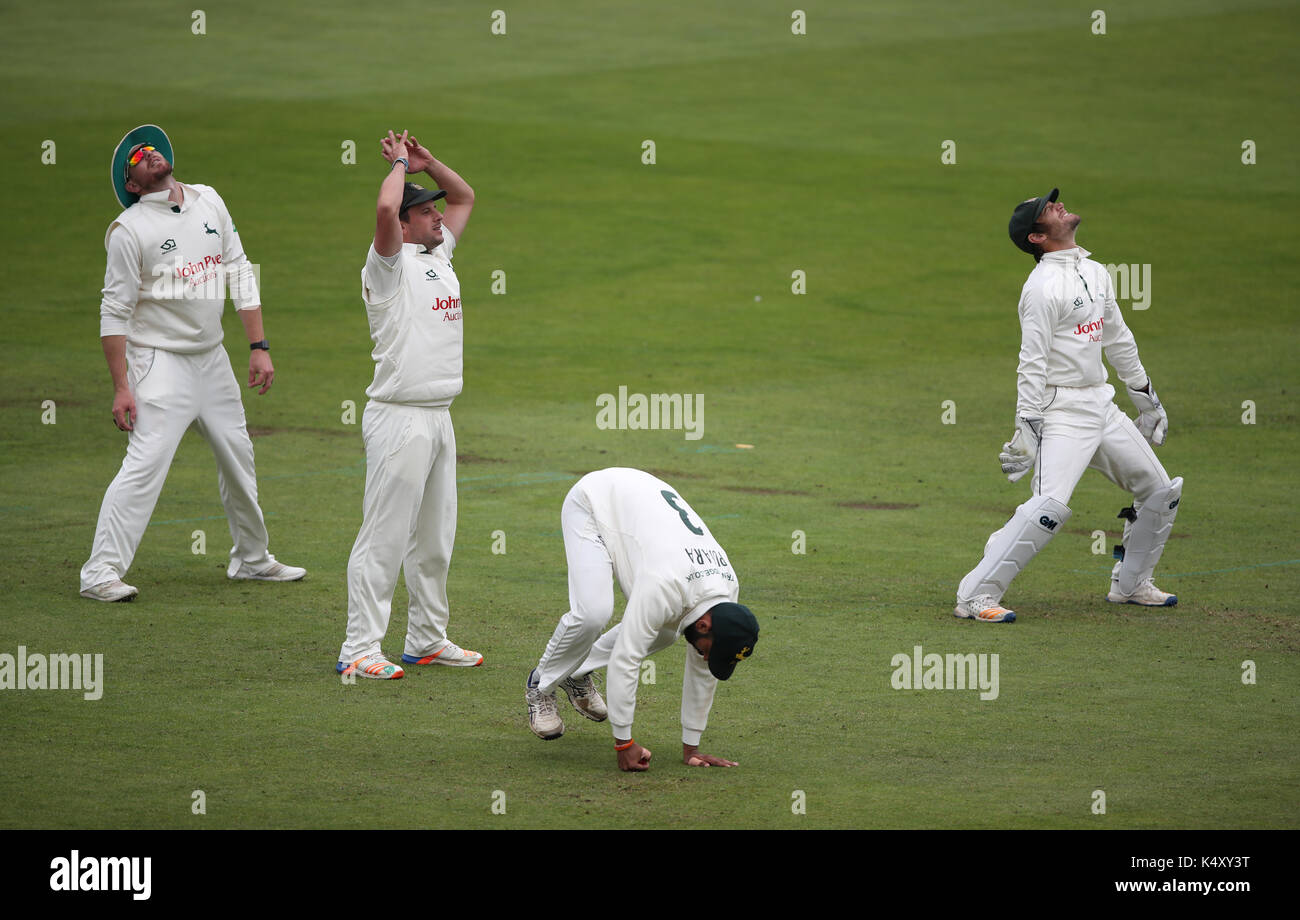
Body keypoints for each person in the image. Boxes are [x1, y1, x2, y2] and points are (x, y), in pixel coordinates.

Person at [80, 125, 305, 602]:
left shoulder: (209, 200)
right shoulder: (129, 230)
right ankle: (99, 573)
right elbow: (114, 312)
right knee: (145, 465)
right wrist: (122, 387)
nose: (149, 154)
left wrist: (258, 344)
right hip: (159, 363)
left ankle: (251, 559)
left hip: (212, 358)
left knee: (238, 455)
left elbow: (238, 267)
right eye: (136, 158)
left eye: (152, 148)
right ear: (133, 186)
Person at [953, 188, 1183, 623]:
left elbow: (1117, 337)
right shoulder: (1040, 289)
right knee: (1048, 509)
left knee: (1160, 493)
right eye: (1048, 209)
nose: (1058, 206)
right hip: (1062, 412)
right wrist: (1026, 429)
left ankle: (1131, 583)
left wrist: (1144, 397)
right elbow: (1031, 362)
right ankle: (975, 595)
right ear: (1037, 237)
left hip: (1102, 405)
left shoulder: (1095, 271)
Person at [335, 130, 481, 680]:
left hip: (440, 416)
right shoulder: (386, 266)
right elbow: (384, 205)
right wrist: (399, 166)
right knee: (385, 536)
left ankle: (425, 638)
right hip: (398, 417)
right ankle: (359, 649)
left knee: (435, 539)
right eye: (425, 212)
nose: (437, 217)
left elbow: (464, 197)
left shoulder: (438, 254)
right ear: (403, 225)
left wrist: (428, 164)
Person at [525, 468, 759, 772]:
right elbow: (626, 657)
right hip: (593, 503)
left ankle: (576, 673)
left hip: (637, 504)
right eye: (707, 651)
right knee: (593, 611)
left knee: (665, 632)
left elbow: (703, 672)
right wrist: (624, 743)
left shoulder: (726, 595)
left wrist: (692, 748)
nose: (704, 657)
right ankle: (540, 685)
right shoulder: (664, 585)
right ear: (704, 625)